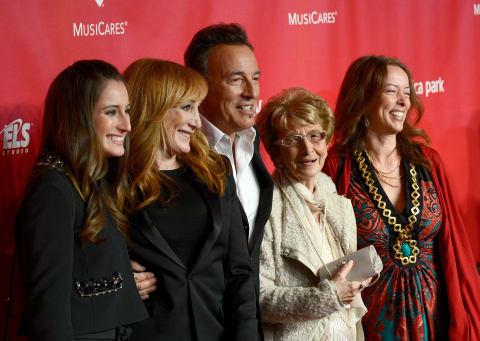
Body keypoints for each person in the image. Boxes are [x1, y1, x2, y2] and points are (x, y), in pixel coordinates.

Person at [323, 55, 480, 340]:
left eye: (407, 93)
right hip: (371, 322)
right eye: (391, 91)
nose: (403, 101)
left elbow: (454, 246)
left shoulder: (427, 162)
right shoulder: (337, 166)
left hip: (437, 318)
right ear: (364, 97)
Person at [123, 58, 258, 341]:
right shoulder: (114, 182)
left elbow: (239, 273)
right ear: (154, 108)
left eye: (198, 108)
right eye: (186, 108)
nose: (197, 122)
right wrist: (118, 282)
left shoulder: (216, 171)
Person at [15, 60, 148, 341]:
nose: (126, 125)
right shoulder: (52, 190)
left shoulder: (91, 182)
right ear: (79, 117)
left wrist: (125, 283)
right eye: (111, 112)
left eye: (127, 111)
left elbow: (85, 272)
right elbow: (48, 311)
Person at [255, 87, 369, 341]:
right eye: (293, 140)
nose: (308, 149)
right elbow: (259, 297)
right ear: (276, 151)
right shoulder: (267, 208)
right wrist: (327, 297)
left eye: (315, 136)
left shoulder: (337, 203)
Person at [184, 24, 274, 339]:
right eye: (236, 80)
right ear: (199, 85)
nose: (252, 92)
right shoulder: (175, 154)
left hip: (248, 324)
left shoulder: (254, 143)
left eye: (256, 78)